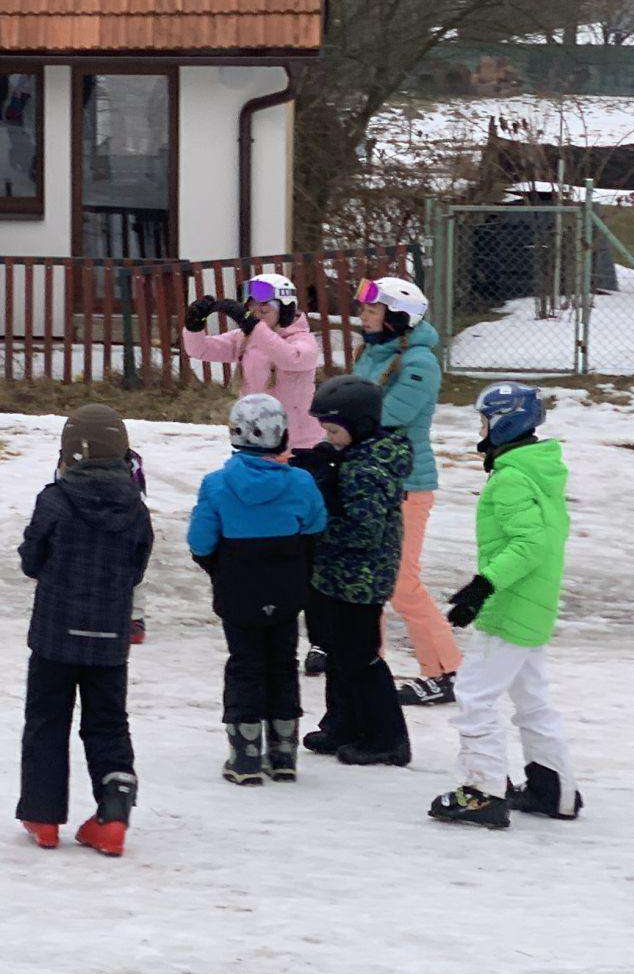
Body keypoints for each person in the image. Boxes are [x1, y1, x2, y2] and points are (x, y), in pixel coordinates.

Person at [430, 383, 582, 829]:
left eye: (484, 421)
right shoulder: (536, 468)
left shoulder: (513, 477)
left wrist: (483, 586)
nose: (480, 429)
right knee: (531, 698)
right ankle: (553, 788)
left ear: (505, 423)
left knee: (475, 694)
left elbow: (530, 543)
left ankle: (482, 791)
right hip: (533, 601)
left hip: (511, 603)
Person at [15, 405, 152, 855]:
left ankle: (43, 815)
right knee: (108, 723)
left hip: (55, 635)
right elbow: (136, 569)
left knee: (47, 721)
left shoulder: (54, 500)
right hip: (110, 639)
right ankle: (112, 817)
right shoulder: (135, 508)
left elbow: (32, 559)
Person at [186, 393, 326, 785]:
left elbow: (200, 542)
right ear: (282, 435)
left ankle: (245, 755)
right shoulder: (300, 482)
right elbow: (315, 526)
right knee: (283, 661)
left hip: (238, 588)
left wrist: (217, 566)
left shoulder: (216, 485)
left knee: (244, 663)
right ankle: (283, 752)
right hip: (285, 588)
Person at [293, 375, 415, 768]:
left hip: (359, 580)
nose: (327, 437)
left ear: (359, 426)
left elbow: (364, 531)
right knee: (337, 652)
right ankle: (343, 723)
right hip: (337, 575)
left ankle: (386, 738)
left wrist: (317, 523)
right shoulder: (352, 457)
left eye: (333, 430)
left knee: (360, 657)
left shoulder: (368, 469)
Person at [353, 274, 459, 705]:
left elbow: (385, 414)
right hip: (373, 479)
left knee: (401, 584)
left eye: (372, 309)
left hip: (406, 486)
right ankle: (366, 667)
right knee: (368, 581)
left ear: (398, 318)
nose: (363, 315)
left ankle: (447, 671)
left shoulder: (419, 363)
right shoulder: (373, 352)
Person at [182, 273, 324, 452]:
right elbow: (200, 350)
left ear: (286, 312)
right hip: (256, 440)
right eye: (253, 311)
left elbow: (290, 359)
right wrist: (193, 327)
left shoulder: (303, 341)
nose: (257, 316)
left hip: (298, 445)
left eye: (264, 311)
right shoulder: (245, 339)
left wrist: (254, 326)